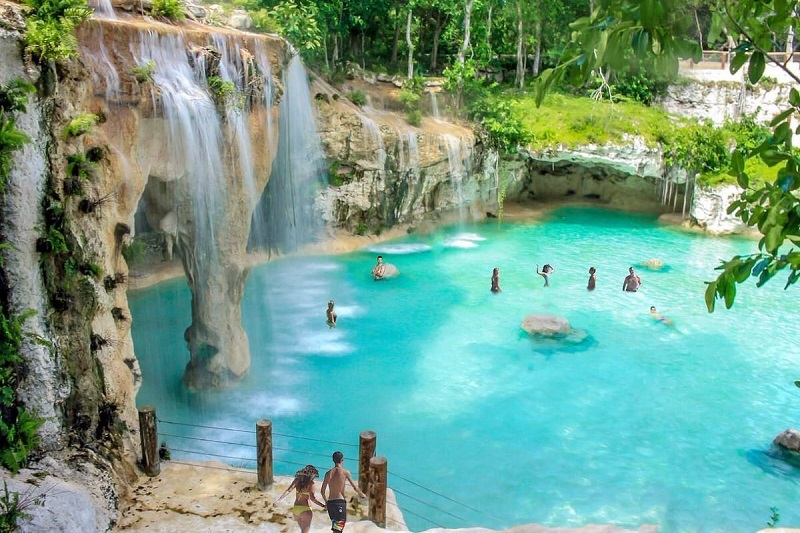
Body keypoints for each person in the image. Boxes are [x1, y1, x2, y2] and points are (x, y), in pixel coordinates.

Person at [321, 451, 365, 533]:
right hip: (339, 502)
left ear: (333, 460)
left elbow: (322, 491)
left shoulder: (328, 473)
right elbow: (355, 487)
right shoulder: (345, 472)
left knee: (336, 528)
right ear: (342, 459)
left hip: (330, 503)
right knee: (338, 529)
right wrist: (362, 494)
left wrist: (326, 502)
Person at [277, 465, 325, 533]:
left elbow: (288, 490)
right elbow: (313, 498)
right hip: (305, 510)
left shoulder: (297, 480)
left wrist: (278, 500)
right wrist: (323, 505)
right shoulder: (311, 483)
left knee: (302, 531)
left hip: (296, 510)